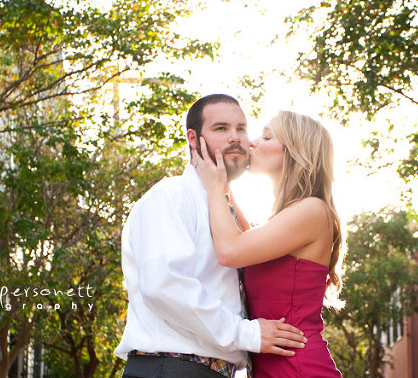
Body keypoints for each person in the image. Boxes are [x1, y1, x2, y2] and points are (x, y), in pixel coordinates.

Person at [114, 94, 307, 378]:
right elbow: (163, 285)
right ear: (193, 139)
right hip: (172, 369)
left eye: (241, 128)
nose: (236, 137)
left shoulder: (223, 211)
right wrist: (248, 334)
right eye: (221, 128)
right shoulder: (171, 196)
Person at [193, 110, 343, 378]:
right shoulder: (285, 219)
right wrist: (224, 185)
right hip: (273, 367)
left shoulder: (312, 210)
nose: (251, 142)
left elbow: (231, 250)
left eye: (265, 136)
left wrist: (215, 187)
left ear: (295, 151)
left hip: (298, 368)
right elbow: (245, 239)